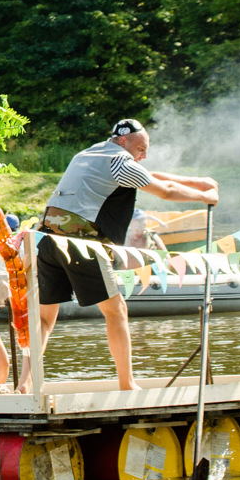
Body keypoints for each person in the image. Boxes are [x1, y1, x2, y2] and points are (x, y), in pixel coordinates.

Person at [31, 118, 219, 391]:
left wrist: (198, 182)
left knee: (45, 317)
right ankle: (127, 384)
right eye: (141, 148)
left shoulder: (89, 153)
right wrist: (206, 197)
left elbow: (148, 174)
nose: (143, 155)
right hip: (81, 243)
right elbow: (164, 191)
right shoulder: (119, 162)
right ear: (123, 141)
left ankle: (26, 383)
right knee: (116, 311)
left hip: (46, 240)